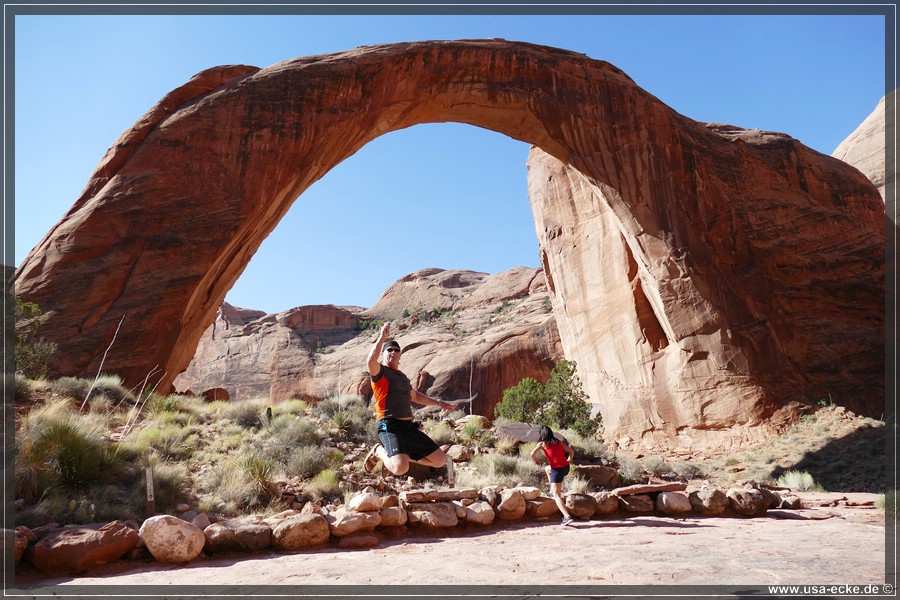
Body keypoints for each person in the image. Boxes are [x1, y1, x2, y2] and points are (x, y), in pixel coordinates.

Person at [363, 322, 455, 484]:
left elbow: (415, 396)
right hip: (389, 426)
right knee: (400, 469)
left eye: (396, 350)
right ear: (383, 354)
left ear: (400, 355)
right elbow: (370, 361)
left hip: (408, 428)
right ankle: (379, 451)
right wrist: (382, 337)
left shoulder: (403, 377)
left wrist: (439, 403)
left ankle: (404, 456)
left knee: (439, 460)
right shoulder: (380, 373)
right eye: (389, 350)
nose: (393, 352)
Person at [530, 425, 576, 526]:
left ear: (542, 435)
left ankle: (566, 517)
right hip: (565, 468)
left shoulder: (542, 444)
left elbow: (532, 454)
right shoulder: (558, 442)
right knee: (547, 469)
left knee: (557, 496)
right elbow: (571, 451)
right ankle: (551, 490)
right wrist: (569, 460)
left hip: (557, 470)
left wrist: (537, 461)